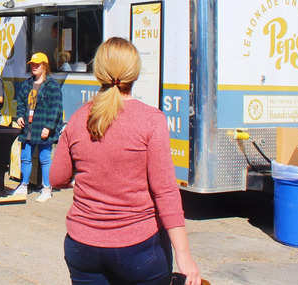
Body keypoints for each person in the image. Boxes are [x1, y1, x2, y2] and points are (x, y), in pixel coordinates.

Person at [51, 37, 200, 285]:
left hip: (83, 246)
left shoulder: (78, 119)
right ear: (135, 73)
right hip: (139, 250)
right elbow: (165, 191)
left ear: (98, 71)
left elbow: (57, 177)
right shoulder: (151, 120)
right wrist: (184, 255)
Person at [12, 52, 63, 203]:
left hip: (42, 127)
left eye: (37, 64)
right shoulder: (27, 84)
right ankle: (24, 185)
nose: (34, 67)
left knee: (44, 159)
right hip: (28, 127)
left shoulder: (52, 86)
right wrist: (20, 115)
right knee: (26, 157)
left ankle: (47, 188)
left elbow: (56, 108)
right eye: (32, 64)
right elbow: (21, 102)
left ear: (45, 66)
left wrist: (48, 127)